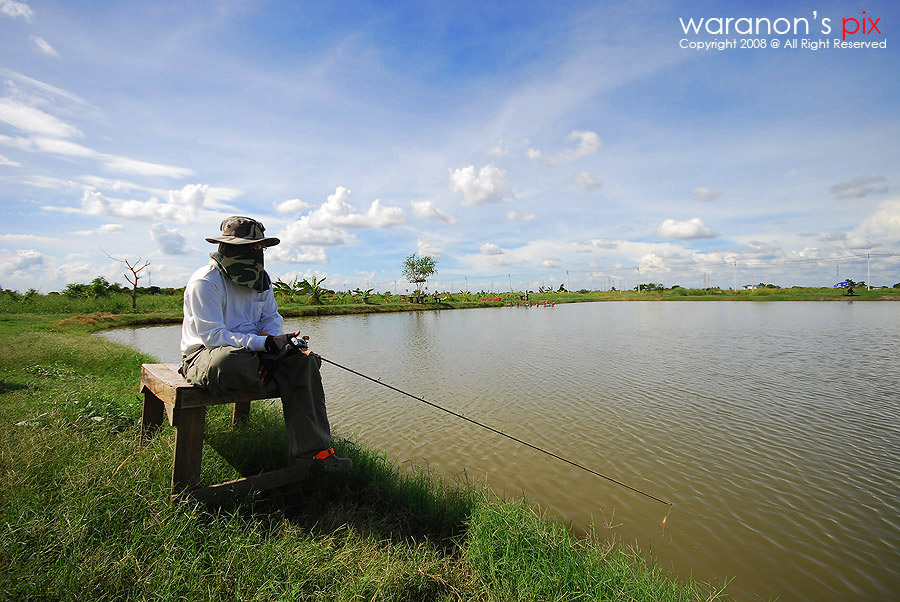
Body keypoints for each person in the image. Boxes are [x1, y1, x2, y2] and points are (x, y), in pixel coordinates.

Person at [180, 215, 351, 472]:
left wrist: (275, 348)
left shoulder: (262, 280)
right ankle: (277, 375)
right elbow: (213, 337)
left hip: (256, 355)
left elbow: (271, 318)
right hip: (208, 356)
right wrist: (266, 346)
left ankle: (315, 453)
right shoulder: (205, 282)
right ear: (229, 247)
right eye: (252, 246)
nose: (258, 252)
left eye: (260, 247)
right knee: (229, 360)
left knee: (306, 359)